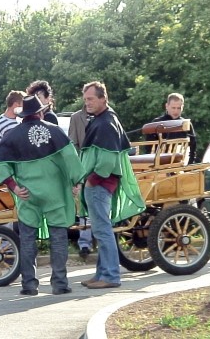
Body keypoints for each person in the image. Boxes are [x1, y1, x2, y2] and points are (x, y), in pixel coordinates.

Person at [0, 94, 85, 296]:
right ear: (41, 112)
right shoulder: (55, 131)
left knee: (27, 239)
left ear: (22, 115)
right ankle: (59, 284)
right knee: (58, 238)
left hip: (27, 195)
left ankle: (29, 285)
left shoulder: (12, 136)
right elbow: (71, 158)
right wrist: (77, 181)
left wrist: (13, 186)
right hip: (55, 194)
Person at [78, 81, 145, 289]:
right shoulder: (104, 119)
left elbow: (107, 161)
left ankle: (110, 276)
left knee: (103, 230)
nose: (86, 103)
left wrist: (91, 180)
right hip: (99, 184)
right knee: (100, 229)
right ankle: (101, 274)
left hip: (99, 185)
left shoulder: (105, 124)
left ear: (102, 99)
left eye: (90, 99)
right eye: (85, 99)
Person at [68, 105, 94, 259]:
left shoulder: (106, 115)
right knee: (84, 206)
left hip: (100, 166)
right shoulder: (76, 117)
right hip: (83, 166)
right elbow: (72, 145)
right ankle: (85, 243)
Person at [144, 93, 198, 164]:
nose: (176, 111)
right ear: (167, 106)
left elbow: (193, 146)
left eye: (179, 108)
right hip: (159, 164)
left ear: (183, 107)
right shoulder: (156, 123)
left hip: (180, 164)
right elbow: (148, 147)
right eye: (173, 108)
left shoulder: (186, 124)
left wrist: (190, 165)